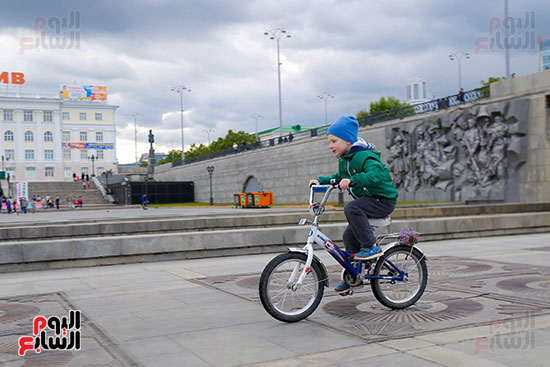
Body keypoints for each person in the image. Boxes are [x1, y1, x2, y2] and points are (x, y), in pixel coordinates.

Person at [308, 116, 398, 294]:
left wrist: (353, 181)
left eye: (334, 141)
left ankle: (371, 247)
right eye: (329, 142)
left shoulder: (365, 156)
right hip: (369, 201)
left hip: (383, 200)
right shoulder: (346, 160)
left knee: (352, 208)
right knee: (349, 236)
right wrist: (321, 181)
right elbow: (339, 177)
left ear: (348, 140)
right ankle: (354, 276)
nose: (330, 145)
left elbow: (377, 175)